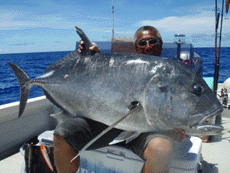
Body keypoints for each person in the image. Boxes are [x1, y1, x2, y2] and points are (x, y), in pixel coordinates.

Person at [53, 26, 189, 173]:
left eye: (153, 41)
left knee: (162, 149)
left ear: (161, 44)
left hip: (148, 129)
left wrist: (182, 127)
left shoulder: (175, 73)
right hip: (111, 122)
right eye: (142, 43)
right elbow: (104, 72)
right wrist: (94, 56)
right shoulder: (125, 66)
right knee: (63, 133)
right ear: (136, 47)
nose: (148, 46)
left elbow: (191, 113)